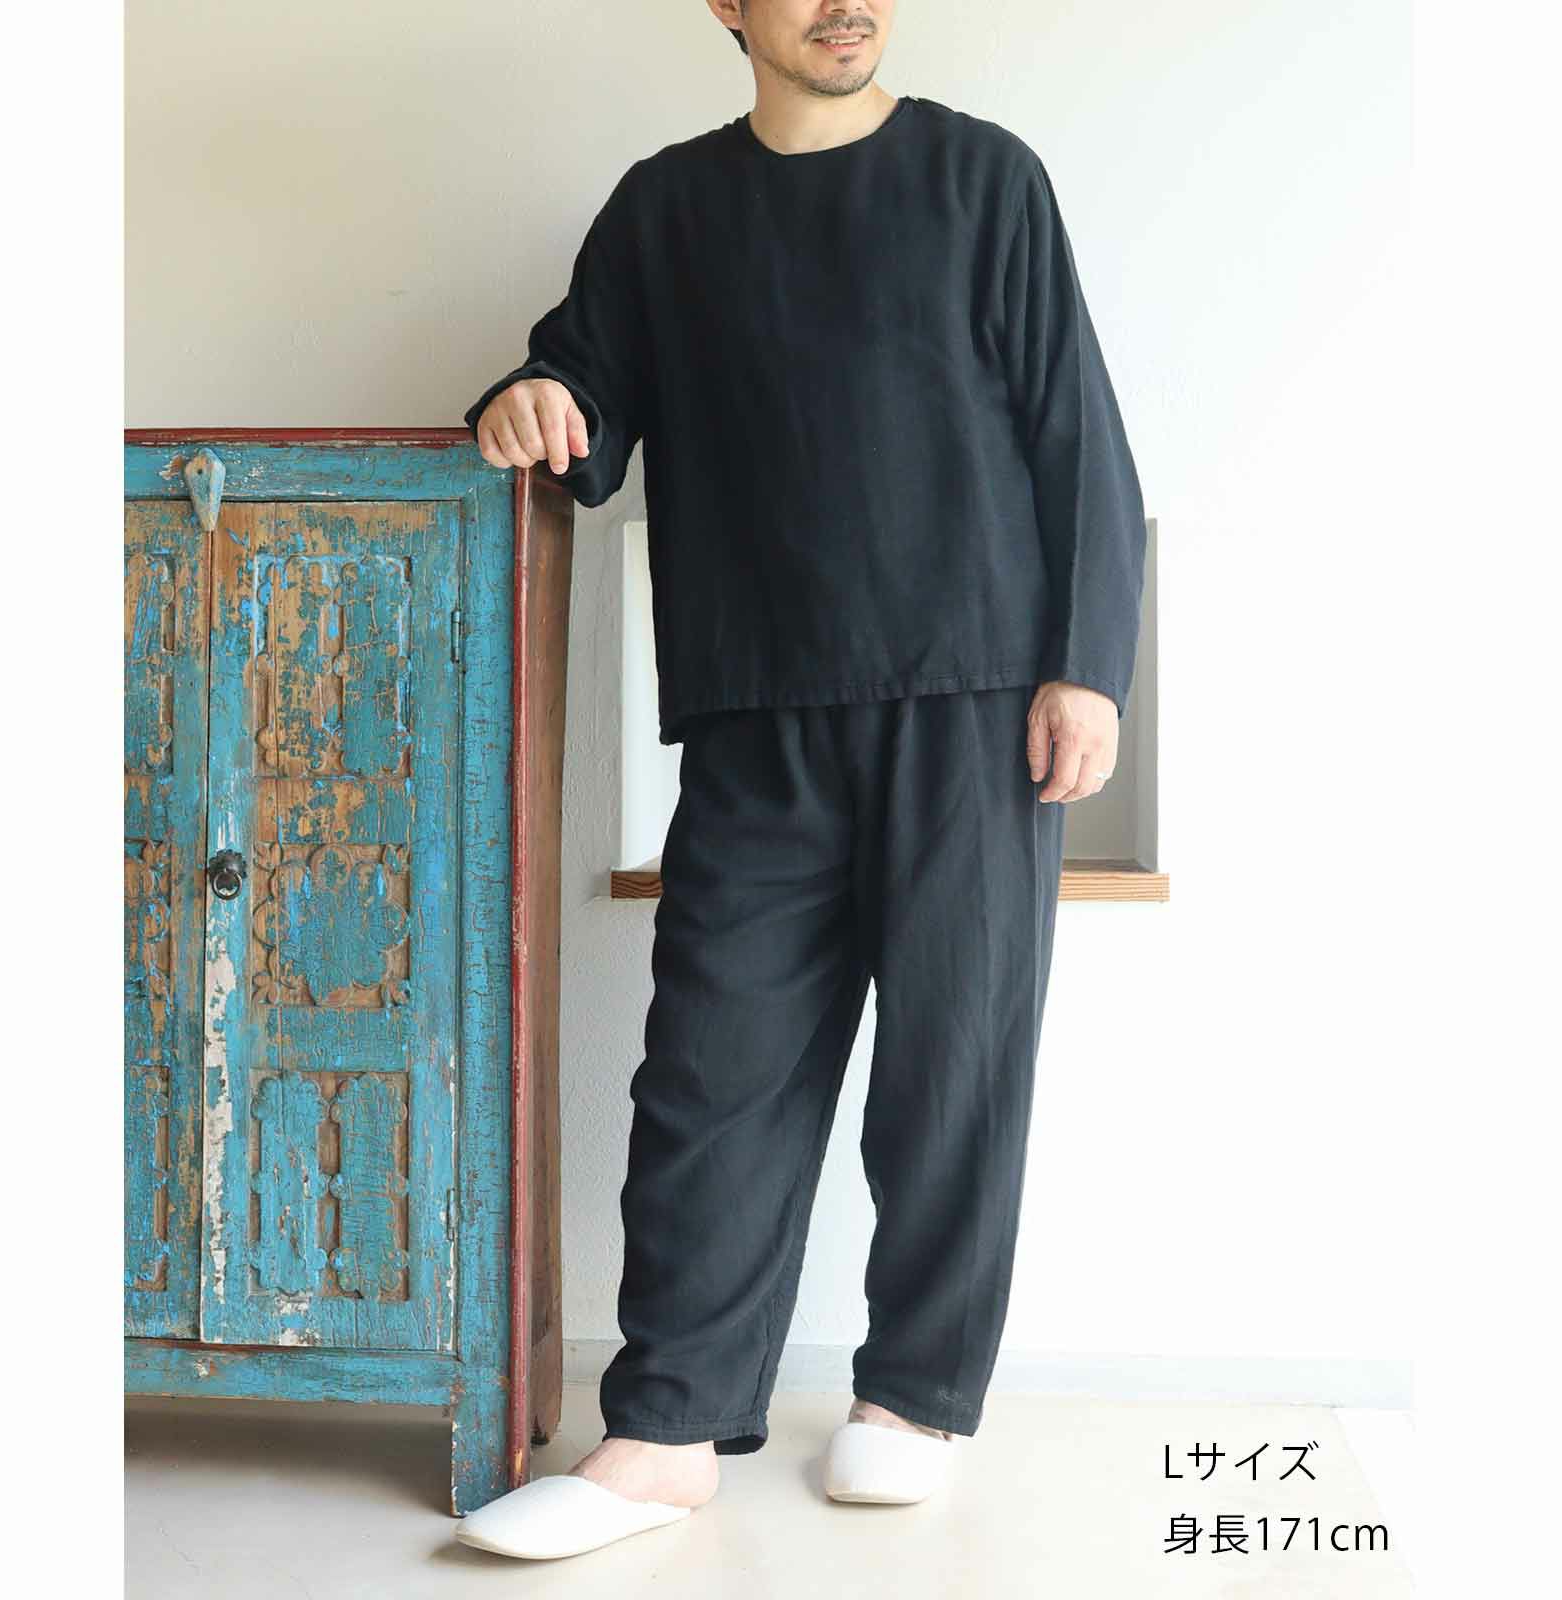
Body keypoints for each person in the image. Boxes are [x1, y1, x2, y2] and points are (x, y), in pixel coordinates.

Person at [455, 0, 1146, 1562]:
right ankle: (662, 1434)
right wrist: (532, 400)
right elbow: (582, 399)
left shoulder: (984, 180)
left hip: (974, 696)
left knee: (954, 1064)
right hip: (755, 707)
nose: (847, 1)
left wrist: (1089, 667)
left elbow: (1075, 430)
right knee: (711, 1072)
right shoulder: (665, 211)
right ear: (728, 6)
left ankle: (913, 1397)